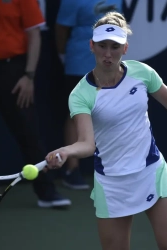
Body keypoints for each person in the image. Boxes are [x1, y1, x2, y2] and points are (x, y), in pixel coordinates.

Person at [46, 12, 167, 250]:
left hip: (151, 172)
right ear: (91, 46)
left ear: (124, 48)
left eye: (114, 46)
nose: (107, 53)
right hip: (113, 183)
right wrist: (66, 151)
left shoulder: (142, 73)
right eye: (102, 46)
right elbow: (86, 143)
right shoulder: (80, 94)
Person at [0, 0, 70, 208]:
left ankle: (46, 192)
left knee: (28, 133)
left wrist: (29, 76)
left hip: (13, 72)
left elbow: (34, 34)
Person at [55, 0, 123, 190]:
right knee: (76, 114)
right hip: (79, 64)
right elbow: (61, 30)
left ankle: (112, 167)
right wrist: (64, 56)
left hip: (110, 66)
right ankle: (72, 169)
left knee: (111, 112)